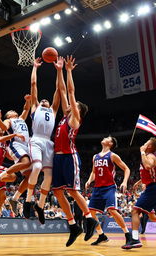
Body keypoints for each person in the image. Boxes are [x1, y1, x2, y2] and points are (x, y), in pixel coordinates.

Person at [51, 55, 97, 247]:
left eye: (74, 104)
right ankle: (73, 225)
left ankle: (89, 218)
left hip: (70, 158)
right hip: (58, 159)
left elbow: (69, 91)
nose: (70, 104)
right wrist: (59, 70)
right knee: (57, 192)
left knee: (72, 190)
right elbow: (61, 90)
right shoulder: (64, 116)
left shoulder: (74, 119)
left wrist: (69, 71)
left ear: (78, 109)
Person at [23, 57, 60, 224]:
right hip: (36, 139)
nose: (44, 100)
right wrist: (35, 68)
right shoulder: (35, 107)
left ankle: (41, 205)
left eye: (46, 99)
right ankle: (28, 200)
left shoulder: (53, 109)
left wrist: (59, 70)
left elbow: (59, 91)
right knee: (36, 166)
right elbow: (33, 86)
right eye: (42, 99)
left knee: (49, 176)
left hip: (49, 143)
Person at [0, 95, 32, 215]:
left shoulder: (21, 119)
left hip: (25, 146)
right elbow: (4, 127)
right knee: (26, 163)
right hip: (16, 145)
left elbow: (26, 109)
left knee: (29, 177)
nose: (13, 111)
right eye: (11, 111)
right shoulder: (9, 121)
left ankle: (14, 198)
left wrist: (28, 101)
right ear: (8, 116)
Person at [85, 136, 131, 246]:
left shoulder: (112, 156)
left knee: (112, 210)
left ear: (110, 144)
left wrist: (124, 182)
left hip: (109, 187)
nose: (104, 138)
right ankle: (101, 235)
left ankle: (127, 235)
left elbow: (126, 169)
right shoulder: (95, 157)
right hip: (97, 188)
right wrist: (89, 180)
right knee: (90, 213)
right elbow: (94, 172)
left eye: (107, 138)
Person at [0, 123, 24, 236]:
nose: (0, 127)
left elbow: (10, 156)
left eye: (1, 126)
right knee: (13, 176)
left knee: (2, 197)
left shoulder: (4, 143)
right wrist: (14, 134)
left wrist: (22, 158)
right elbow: (1, 138)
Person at [122, 137, 156, 249]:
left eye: (146, 143)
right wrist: (140, 181)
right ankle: (135, 239)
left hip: (153, 188)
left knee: (135, 210)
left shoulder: (150, 156)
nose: (144, 144)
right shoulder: (148, 157)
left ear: (149, 147)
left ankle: (135, 239)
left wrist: (142, 151)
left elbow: (148, 166)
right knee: (152, 216)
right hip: (151, 187)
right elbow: (151, 171)